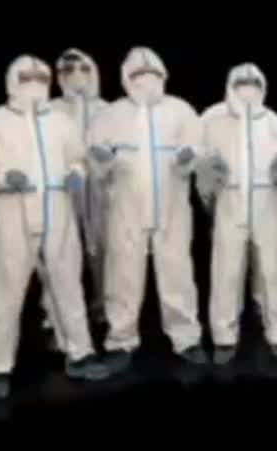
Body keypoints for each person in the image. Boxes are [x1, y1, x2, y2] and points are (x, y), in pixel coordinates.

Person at [0, 55, 109, 399]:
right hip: (12, 208)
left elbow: (78, 157)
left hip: (57, 207)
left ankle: (80, 352)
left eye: (40, 77)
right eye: (25, 77)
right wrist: (1, 176)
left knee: (68, 283)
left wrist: (76, 174)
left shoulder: (60, 122)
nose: (33, 83)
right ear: (11, 80)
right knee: (3, 287)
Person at [88, 47, 206, 374]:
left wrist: (188, 157)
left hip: (172, 207)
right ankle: (120, 339)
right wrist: (102, 160)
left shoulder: (180, 110)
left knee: (177, 271)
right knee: (122, 275)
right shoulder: (111, 115)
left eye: (152, 73)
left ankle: (186, 337)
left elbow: (197, 147)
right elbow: (96, 160)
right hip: (125, 207)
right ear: (126, 78)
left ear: (163, 75)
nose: (145, 79)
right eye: (138, 74)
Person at [198, 63, 277, 365]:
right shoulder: (212, 118)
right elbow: (195, 156)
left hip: (268, 202)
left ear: (263, 86)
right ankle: (224, 338)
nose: (247, 88)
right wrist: (207, 181)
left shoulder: (274, 122)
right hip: (229, 201)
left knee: (273, 271)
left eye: (254, 83)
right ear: (230, 85)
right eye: (241, 83)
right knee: (226, 271)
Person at [42, 49, 110, 334]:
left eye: (83, 68)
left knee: (103, 248)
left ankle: (103, 305)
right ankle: (55, 312)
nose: (76, 75)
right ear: (59, 75)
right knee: (58, 248)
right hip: (63, 185)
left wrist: (106, 161)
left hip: (101, 187)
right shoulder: (50, 109)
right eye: (68, 70)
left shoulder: (107, 109)